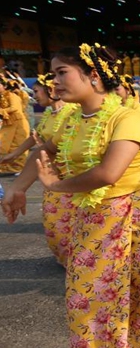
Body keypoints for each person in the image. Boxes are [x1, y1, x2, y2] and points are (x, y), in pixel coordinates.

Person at [1, 43, 140, 348]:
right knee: (88, 300)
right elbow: (44, 152)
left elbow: (108, 173)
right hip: (95, 219)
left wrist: (54, 188)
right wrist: (19, 187)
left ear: (93, 76)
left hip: (137, 214)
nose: (54, 80)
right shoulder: (69, 118)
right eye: (52, 73)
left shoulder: (127, 117)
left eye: (62, 72)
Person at [0, 73, 76, 266]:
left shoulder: (73, 112)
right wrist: (15, 154)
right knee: (53, 223)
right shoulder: (50, 114)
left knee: (72, 222)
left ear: (51, 90)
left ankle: (78, 261)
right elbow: (37, 138)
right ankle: (69, 259)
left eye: (36, 91)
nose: (35, 96)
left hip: (71, 176)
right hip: (49, 175)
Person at [0, 76, 31, 175]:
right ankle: (6, 167)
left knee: (18, 144)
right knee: (5, 144)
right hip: (9, 123)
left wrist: (2, 111)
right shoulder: (2, 96)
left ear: (4, 86)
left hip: (19, 123)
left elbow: (15, 108)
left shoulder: (12, 95)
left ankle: (19, 168)